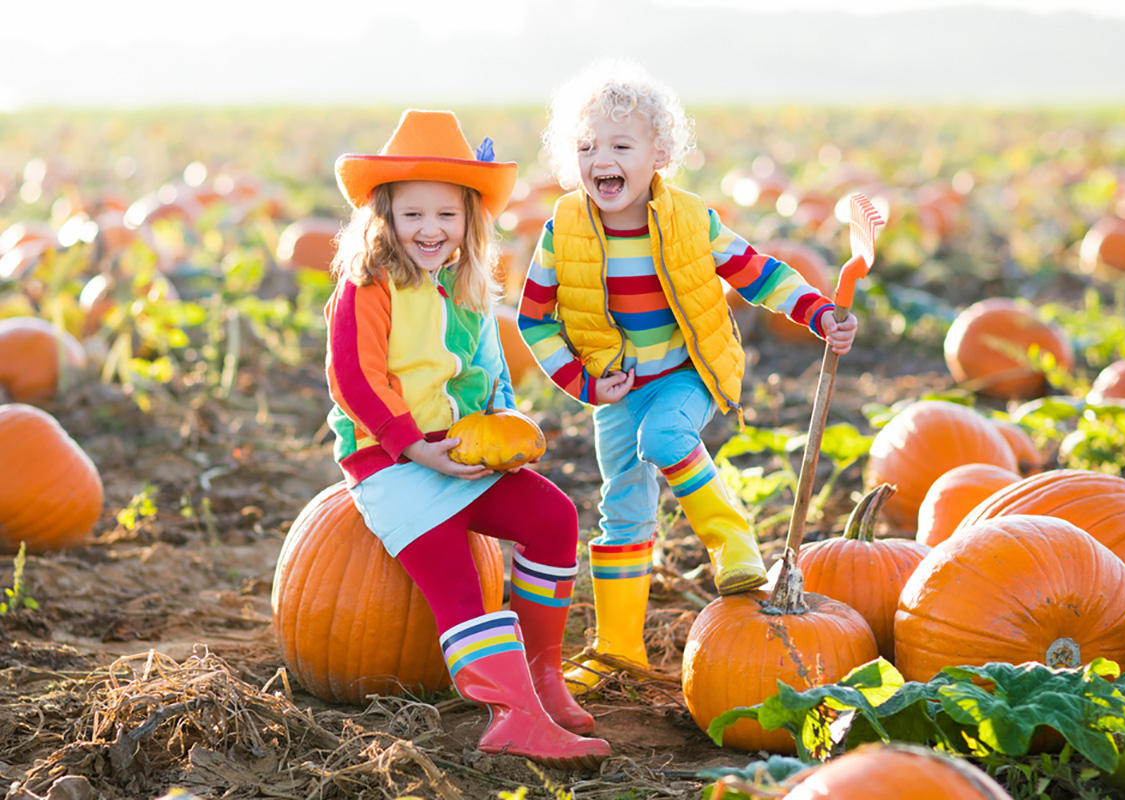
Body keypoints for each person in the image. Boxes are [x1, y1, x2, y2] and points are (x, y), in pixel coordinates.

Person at [518, 62, 859, 692]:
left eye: (621, 145)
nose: (602, 160)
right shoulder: (561, 229)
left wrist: (817, 311)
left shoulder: (690, 219)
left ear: (660, 154)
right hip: (614, 390)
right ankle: (619, 647)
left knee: (668, 441)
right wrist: (584, 384)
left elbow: (757, 271)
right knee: (621, 512)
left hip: (685, 372)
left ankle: (735, 548)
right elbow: (533, 319)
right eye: (587, 147)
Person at [325, 109, 610, 768]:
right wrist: (411, 445)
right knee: (456, 581)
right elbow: (354, 380)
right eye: (413, 215)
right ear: (385, 217)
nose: (430, 230)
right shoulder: (367, 287)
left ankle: (542, 680)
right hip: (392, 464)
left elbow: (488, 371)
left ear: (469, 220)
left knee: (552, 515)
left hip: (458, 451)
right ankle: (511, 718)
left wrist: (506, 423)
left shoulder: (467, 287)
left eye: (446, 216)